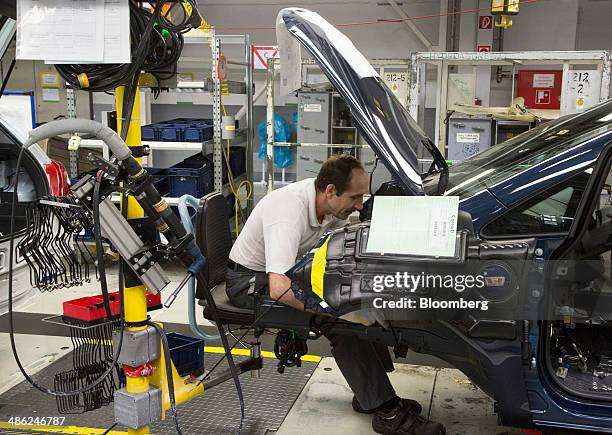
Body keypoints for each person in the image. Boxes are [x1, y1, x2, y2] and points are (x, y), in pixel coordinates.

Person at [226, 154, 445, 435]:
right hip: (249, 282)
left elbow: (345, 252)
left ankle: (372, 395)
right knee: (338, 317)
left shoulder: (327, 206)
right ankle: (387, 411)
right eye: (355, 197)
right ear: (330, 191)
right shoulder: (288, 211)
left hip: (285, 273)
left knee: (353, 299)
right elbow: (279, 288)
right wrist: (328, 308)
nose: (360, 204)